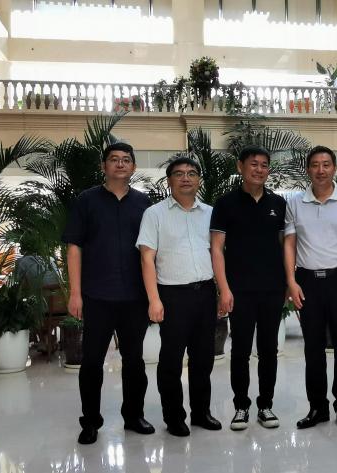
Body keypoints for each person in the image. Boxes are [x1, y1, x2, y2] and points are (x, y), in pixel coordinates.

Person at [62, 142, 155, 445]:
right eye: (114, 159)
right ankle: (90, 421)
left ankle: (134, 416)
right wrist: (75, 293)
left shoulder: (144, 203)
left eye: (126, 160)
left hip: (134, 297)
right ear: (104, 166)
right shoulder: (86, 201)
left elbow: (151, 252)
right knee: (91, 362)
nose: (120, 164)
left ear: (133, 167)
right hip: (96, 295)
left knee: (134, 361)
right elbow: (74, 248)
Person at [284, 146, 337, 430]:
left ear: (334, 168)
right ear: (307, 169)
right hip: (307, 282)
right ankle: (317, 408)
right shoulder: (295, 202)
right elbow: (290, 243)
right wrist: (291, 281)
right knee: (313, 349)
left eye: (326, 164)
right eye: (315, 165)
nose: (320, 170)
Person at [137, 157, 222, 437]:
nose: (186, 178)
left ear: (199, 180)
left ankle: (201, 412)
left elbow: (218, 254)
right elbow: (147, 258)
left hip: (205, 293)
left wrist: (222, 291)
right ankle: (174, 417)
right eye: (179, 173)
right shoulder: (154, 214)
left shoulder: (211, 213)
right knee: (171, 360)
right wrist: (154, 299)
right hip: (172, 295)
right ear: (169, 180)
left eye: (192, 173)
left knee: (203, 358)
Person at [210, 146, 287, 431]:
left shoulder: (278, 203)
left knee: (269, 349)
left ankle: (265, 405)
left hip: (272, 289)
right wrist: (224, 288)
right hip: (239, 290)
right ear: (240, 166)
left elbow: (286, 247)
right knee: (240, 350)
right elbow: (217, 249)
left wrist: (288, 283)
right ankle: (241, 406)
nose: (259, 169)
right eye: (253, 164)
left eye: (264, 165)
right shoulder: (225, 203)